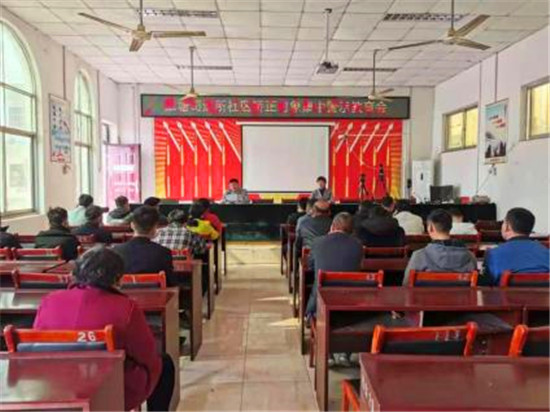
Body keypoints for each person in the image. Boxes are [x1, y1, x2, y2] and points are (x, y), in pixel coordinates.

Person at [33, 246, 175, 411]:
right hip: (109, 389)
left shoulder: (49, 301)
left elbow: (37, 346)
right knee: (164, 363)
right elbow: (146, 355)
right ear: (116, 278)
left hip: (56, 387)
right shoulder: (126, 307)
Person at [305, 212, 363, 318]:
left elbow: (310, 266)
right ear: (351, 230)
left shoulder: (318, 242)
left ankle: (310, 315)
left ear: (332, 226)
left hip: (321, 299)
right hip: (349, 299)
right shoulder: (358, 244)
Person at [403, 209, 477, 286]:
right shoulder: (470, 257)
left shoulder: (418, 256)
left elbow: (406, 285)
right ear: (451, 227)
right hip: (460, 294)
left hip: (427, 294)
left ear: (430, 228)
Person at [482, 208, 549, 285]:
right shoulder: (546, 253)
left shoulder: (493, 254)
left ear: (507, 227)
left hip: (505, 292)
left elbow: (486, 286)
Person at [113, 206, 175, 286]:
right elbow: (170, 282)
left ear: (132, 225)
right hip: (155, 293)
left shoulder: (116, 251)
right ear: (155, 227)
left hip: (122, 293)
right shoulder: (164, 252)